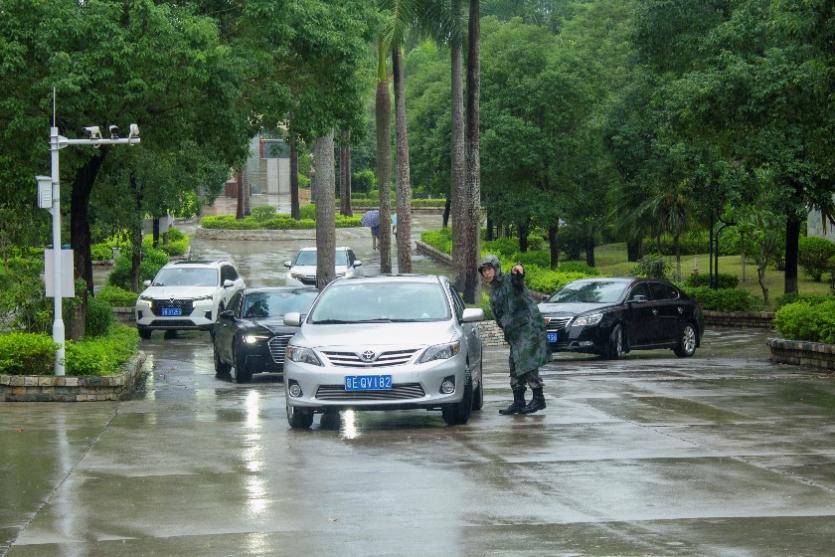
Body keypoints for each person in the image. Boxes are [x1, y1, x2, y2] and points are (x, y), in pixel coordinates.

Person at [478, 254, 549, 415]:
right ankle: (519, 401)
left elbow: (518, 277)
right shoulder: (494, 293)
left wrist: (519, 270)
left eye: (489, 269)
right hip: (515, 336)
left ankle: (539, 398)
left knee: (528, 364)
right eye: (484, 271)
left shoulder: (509, 280)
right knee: (515, 366)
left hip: (527, 330)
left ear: (496, 268)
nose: (486, 273)